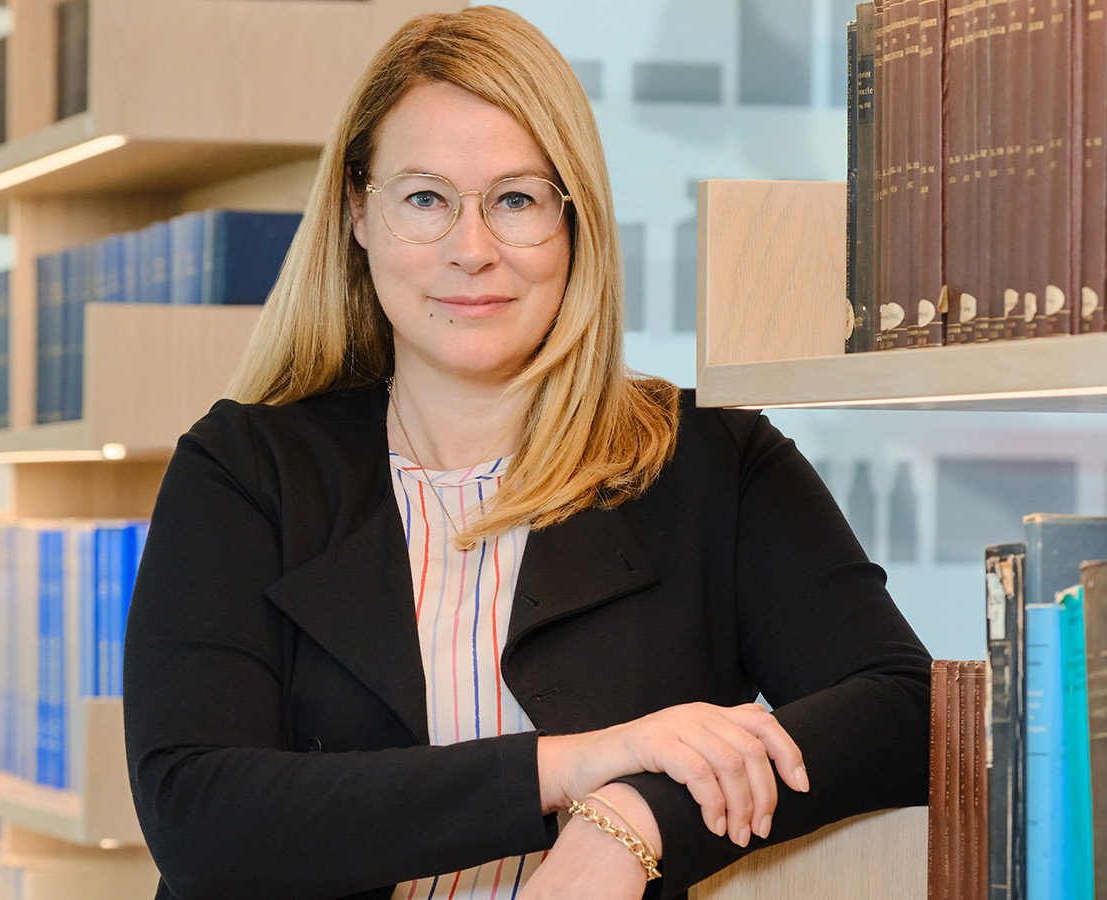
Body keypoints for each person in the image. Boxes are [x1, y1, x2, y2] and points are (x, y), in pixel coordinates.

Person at [121, 7, 930, 900]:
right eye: (425, 199)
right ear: (358, 212)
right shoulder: (244, 469)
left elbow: (906, 710)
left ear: (574, 219)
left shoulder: (713, 462)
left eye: (516, 200)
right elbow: (195, 812)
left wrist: (638, 820)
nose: (472, 252)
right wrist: (572, 766)